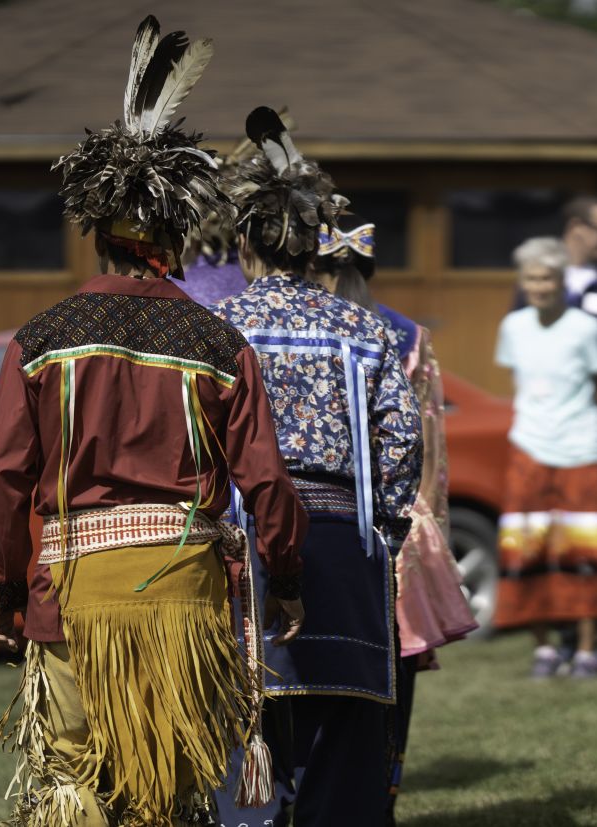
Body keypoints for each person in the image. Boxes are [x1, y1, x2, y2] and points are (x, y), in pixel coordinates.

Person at [0, 19, 308, 826]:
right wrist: (287, 576)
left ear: (97, 232)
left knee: (75, 786)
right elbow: (265, 478)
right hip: (182, 603)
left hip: (71, 596)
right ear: (173, 236)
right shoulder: (217, 343)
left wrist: (2, 584)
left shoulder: (42, 341)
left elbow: (1, 479)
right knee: (166, 793)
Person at [212, 107, 423, 826]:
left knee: (249, 734)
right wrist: (386, 534)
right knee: (348, 733)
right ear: (314, 246)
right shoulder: (364, 328)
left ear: (245, 245)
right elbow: (401, 442)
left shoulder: (221, 329)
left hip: (245, 550)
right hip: (346, 546)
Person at [320, 233, 478, 820]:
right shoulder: (407, 334)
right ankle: (379, 797)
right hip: (397, 530)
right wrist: (422, 523)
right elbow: (430, 445)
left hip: (338, 520)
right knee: (391, 671)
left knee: (336, 669)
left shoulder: (314, 326)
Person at [493, 236, 597, 679]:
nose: (539, 286)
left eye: (547, 278)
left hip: (581, 448)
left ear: (562, 281)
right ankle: (544, 649)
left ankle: (587, 650)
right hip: (528, 446)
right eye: (531, 278)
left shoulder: (585, 327)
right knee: (527, 547)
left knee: (587, 548)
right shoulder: (514, 326)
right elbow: (521, 382)